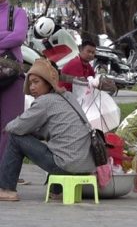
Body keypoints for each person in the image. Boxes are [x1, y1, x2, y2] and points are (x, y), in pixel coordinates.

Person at [0, 59, 96, 201]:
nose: (32, 87)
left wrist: (6, 127)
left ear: (48, 83)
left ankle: (7, 189)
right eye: (30, 83)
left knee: (15, 137)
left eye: (36, 82)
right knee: (60, 147)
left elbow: (18, 126)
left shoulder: (45, 101)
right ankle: (57, 191)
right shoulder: (68, 97)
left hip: (66, 165)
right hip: (85, 166)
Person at [0, 0, 28, 166]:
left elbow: (18, 37)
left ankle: (4, 172)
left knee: (11, 126)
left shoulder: (18, 13)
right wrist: (5, 35)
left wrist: (8, 36)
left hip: (13, 77)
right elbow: (12, 36)